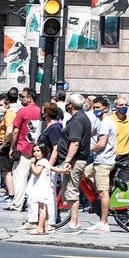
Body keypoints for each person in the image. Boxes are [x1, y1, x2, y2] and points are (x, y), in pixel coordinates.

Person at [51, 93, 92, 233]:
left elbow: (75, 143)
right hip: (77, 160)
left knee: (71, 191)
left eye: (68, 102)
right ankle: (74, 222)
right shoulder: (81, 118)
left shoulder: (77, 120)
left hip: (74, 161)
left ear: (71, 105)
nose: (66, 105)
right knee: (70, 191)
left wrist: (67, 161)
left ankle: (74, 223)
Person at [83, 95, 116, 234]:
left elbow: (101, 143)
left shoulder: (105, 123)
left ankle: (104, 222)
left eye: (98, 108)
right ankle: (98, 196)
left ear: (105, 109)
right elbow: (92, 133)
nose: (95, 110)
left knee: (103, 193)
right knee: (82, 174)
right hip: (99, 161)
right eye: (94, 107)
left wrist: (86, 149)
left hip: (103, 162)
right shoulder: (101, 122)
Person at [7, 91, 42, 214]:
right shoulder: (40, 111)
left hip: (23, 148)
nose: (21, 98)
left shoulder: (22, 111)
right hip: (38, 150)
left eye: (23, 96)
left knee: (19, 177)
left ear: (30, 98)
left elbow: (15, 131)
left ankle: (17, 204)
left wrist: (12, 147)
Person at [23, 142, 56, 235]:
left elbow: (37, 172)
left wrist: (32, 164)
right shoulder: (45, 161)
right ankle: (45, 227)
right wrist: (63, 170)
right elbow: (52, 168)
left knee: (42, 209)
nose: (35, 153)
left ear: (43, 151)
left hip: (41, 189)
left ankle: (40, 228)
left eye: (38, 151)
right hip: (44, 188)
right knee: (43, 208)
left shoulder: (40, 162)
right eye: (34, 151)